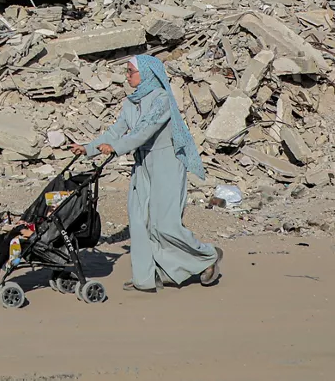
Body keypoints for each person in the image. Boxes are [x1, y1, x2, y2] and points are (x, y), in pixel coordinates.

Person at [72, 54, 222, 293]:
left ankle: (207, 256)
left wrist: (118, 148)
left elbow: (144, 131)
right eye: (127, 72)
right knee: (139, 220)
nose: (127, 76)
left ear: (147, 74)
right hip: (142, 164)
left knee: (165, 223)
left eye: (131, 72)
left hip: (166, 163)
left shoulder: (161, 100)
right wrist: (88, 148)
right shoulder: (131, 102)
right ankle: (146, 277)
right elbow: (116, 131)